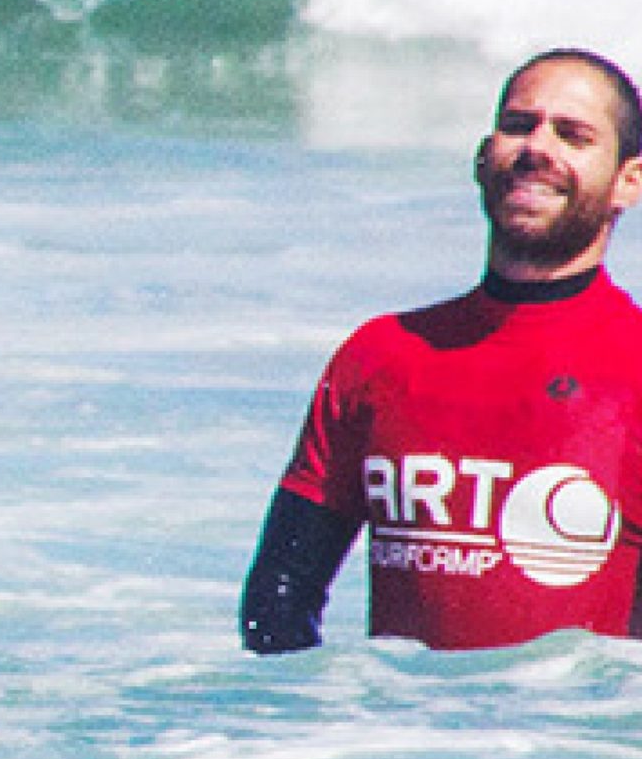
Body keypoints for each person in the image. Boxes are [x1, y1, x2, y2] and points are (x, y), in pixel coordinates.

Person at [241, 47, 642, 654]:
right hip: (414, 740)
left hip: (572, 741)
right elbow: (278, 597)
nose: (536, 147)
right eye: (517, 125)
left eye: (573, 135)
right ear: (483, 158)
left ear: (627, 181)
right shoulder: (381, 355)